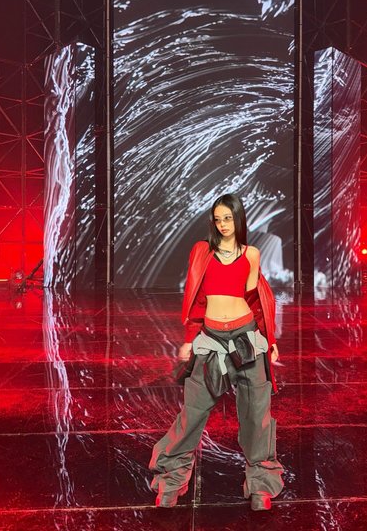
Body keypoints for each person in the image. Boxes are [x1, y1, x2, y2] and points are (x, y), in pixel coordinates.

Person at [149, 193, 284, 511]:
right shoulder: (202, 251)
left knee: (256, 415)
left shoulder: (251, 254)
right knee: (193, 413)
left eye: (228, 218)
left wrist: (270, 341)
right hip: (211, 341)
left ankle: (261, 485)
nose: (223, 224)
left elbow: (256, 300)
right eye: (218, 219)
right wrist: (189, 338)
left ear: (239, 219)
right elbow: (197, 298)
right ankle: (171, 479)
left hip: (246, 338)